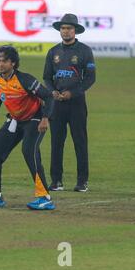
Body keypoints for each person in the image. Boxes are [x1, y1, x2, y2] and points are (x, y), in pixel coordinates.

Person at [0, 45, 55, 210]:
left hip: (35, 119)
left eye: (5, 61)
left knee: (29, 151)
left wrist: (45, 118)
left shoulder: (25, 80)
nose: (0, 64)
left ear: (13, 63)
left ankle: (44, 197)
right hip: (14, 120)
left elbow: (48, 96)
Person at [43, 13, 96, 192]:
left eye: (69, 28)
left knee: (80, 141)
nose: (66, 32)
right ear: (60, 30)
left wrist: (71, 93)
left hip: (77, 104)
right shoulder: (53, 52)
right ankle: (56, 181)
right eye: (63, 28)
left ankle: (82, 181)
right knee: (56, 142)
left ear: (75, 31)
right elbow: (46, 77)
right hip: (57, 104)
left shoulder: (84, 51)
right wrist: (53, 92)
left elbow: (90, 78)